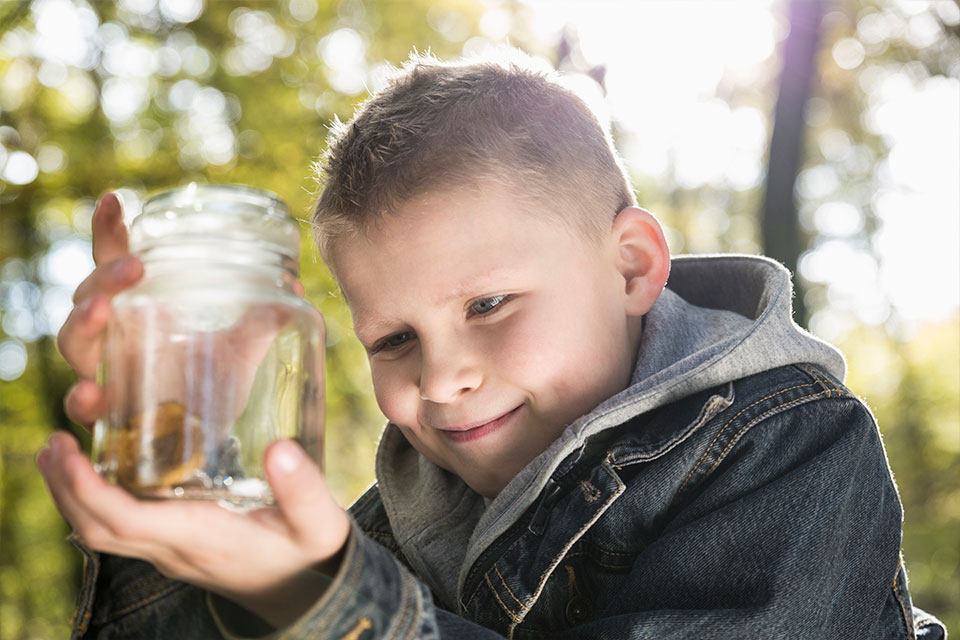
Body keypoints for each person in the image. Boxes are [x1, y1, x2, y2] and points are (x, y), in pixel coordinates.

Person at [40, 50, 946, 639]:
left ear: (633, 267)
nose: (441, 380)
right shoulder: (395, 520)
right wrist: (179, 477)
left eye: (488, 303)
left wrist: (331, 602)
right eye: (394, 337)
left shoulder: (793, 447)